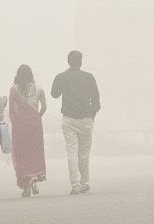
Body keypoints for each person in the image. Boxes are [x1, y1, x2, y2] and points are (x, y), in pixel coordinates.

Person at [50, 50, 100, 194]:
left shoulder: (61, 77)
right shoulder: (89, 77)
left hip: (69, 118)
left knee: (72, 151)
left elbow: (54, 94)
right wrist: (92, 116)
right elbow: (96, 100)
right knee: (84, 153)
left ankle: (75, 184)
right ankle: (85, 181)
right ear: (81, 62)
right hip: (85, 119)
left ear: (68, 61)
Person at [9, 64, 48, 197]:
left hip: (21, 127)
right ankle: (34, 178)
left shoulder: (13, 90)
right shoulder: (39, 89)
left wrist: (18, 124)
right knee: (35, 152)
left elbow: (12, 112)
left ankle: (27, 184)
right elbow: (44, 107)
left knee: (23, 155)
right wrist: (36, 117)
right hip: (35, 125)